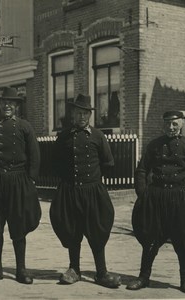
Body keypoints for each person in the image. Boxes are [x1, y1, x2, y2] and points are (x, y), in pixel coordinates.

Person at [126, 110, 185, 294]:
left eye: (175, 124)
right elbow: (142, 170)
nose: (171, 128)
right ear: (163, 125)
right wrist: (143, 193)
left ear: (182, 124)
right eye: (167, 124)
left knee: (183, 238)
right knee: (151, 238)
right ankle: (143, 277)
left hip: (182, 198)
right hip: (156, 197)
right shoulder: (154, 145)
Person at [50, 94, 121, 288]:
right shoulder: (63, 136)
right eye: (78, 112)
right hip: (70, 191)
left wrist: (94, 183)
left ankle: (102, 273)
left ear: (90, 115)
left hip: (93, 191)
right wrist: (67, 181)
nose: (82, 117)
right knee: (73, 229)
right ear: (73, 114)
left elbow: (108, 163)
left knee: (97, 230)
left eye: (85, 113)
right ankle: (74, 270)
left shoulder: (98, 136)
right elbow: (54, 163)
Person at [0, 87, 41, 284]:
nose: (7, 106)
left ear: (17, 106)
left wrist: (30, 180)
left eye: (11, 103)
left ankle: (21, 269)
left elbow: (34, 155)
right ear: (0, 105)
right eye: (4, 103)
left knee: (18, 224)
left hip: (18, 181)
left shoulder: (25, 127)